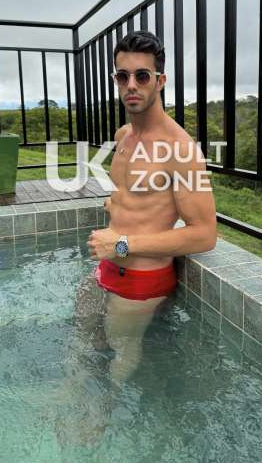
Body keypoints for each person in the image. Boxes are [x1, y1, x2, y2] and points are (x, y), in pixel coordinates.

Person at [85, 29, 217, 383]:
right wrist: (116, 203)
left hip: (141, 280)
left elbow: (205, 235)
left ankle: (100, 409)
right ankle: (69, 394)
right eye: (122, 76)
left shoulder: (181, 149)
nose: (131, 85)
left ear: (160, 81)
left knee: (120, 352)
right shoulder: (123, 136)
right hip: (107, 265)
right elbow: (134, 193)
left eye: (142, 76)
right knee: (84, 340)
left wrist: (122, 243)